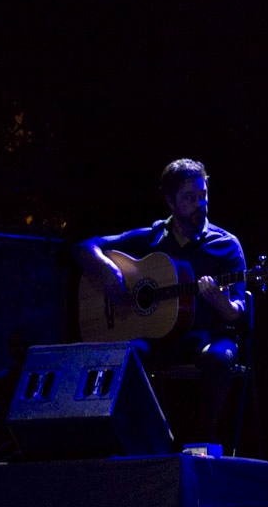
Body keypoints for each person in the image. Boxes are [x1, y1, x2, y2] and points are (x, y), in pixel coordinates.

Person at [74, 158, 247, 443]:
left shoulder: (226, 245)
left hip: (207, 335)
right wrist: (108, 270)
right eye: (190, 198)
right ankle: (141, 441)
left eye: (203, 195)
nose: (200, 204)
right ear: (170, 201)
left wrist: (223, 305)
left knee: (218, 359)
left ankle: (203, 443)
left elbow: (238, 309)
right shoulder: (153, 237)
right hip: (160, 336)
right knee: (124, 356)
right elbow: (85, 247)